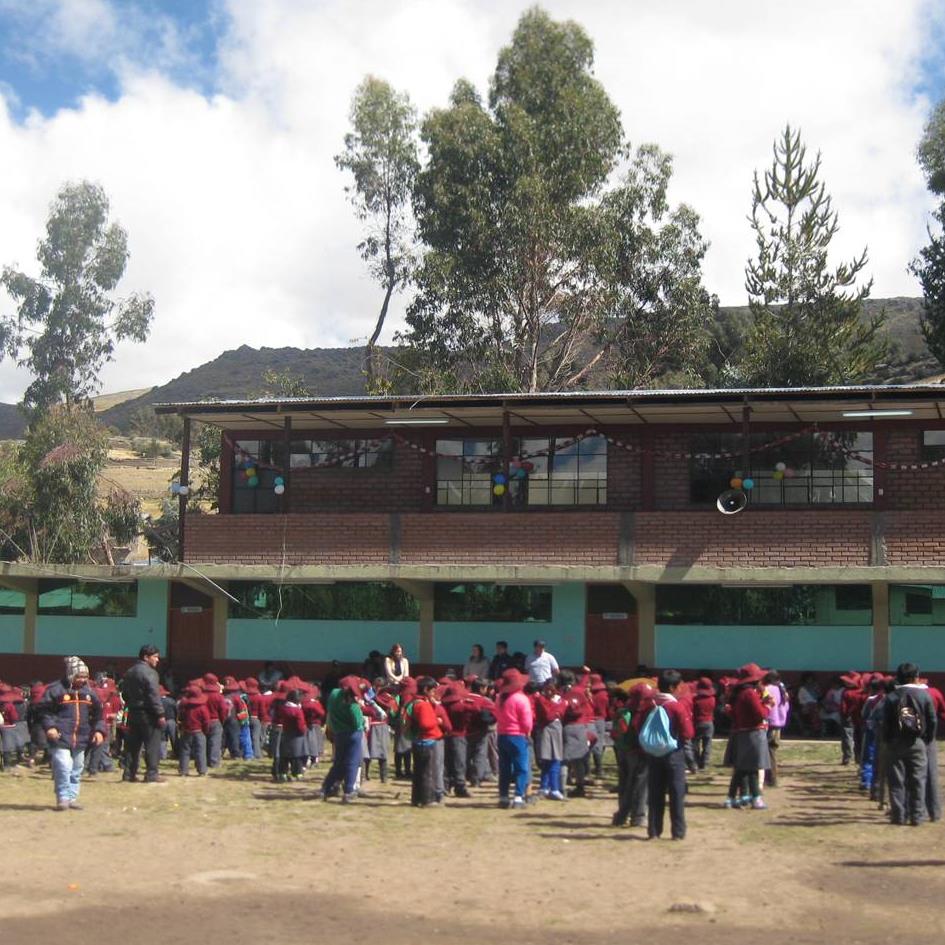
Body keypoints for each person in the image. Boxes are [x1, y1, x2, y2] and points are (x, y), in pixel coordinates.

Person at [37, 657, 107, 810]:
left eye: (85, 676)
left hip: (82, 737)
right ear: (71, 674)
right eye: (79, 676)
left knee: (77, 768)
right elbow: (43, 711)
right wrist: (50, 727)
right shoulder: (55, 690)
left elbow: (99, 715)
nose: (82, 680)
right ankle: (62, 797)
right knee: (63, 765)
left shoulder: (90, 693)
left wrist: (99, 730)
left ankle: (72, 798)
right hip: (60, 736)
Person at [638, 669, 694, 840]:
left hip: (653, 753)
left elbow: (639, 725)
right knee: (676, 793)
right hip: (673, 753)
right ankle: (678, 832)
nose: (680, 689)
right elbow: (688, 733)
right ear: (672, 688)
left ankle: (654, 831)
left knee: (655, 792)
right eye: (679, 686)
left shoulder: (649, 705)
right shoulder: (676, 707)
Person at [883, 662, 937, 826]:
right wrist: (927, 739)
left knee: (896, 781)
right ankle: (917, 816)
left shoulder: (891, 697)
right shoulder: (924, 696)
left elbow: (886, 723)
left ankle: (898, 816)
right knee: (918, 780)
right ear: (916, 677)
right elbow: (932, 720)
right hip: (917, 742)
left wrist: (888, 740)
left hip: (895, 743)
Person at [724, 664, 771, 810]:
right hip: (753, 734)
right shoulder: (750, 693)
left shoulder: (739, 693)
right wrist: (768, 706)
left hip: (742, 733)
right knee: (752, 768)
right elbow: (760, 714)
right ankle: (755, 798)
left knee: (742, 769)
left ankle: (736, 797)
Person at [120, 644, 166, 783]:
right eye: (155, 657)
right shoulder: (150, 673)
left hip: (133, 712)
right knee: (152, 744)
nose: (157, 660)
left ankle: (129, 773)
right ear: (146, 657)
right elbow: (153, 695)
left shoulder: (129, 672)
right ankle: (152, 773)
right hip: (148, 713)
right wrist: (160, 714)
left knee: (132, 746)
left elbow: (124, 693)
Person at [321, 676, 367, 803]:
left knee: (338, 763)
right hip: (353, 734)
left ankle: (326, 788)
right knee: (352, 762)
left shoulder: (334, 694)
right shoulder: (353, 706)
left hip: (338, 732)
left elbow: (329, 709)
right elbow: (358, 724)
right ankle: (349, 790)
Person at [495, 668, 533, 809]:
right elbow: (527, 722)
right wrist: (527, 732)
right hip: (517, 735)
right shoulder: (521, 699)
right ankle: (518, 797)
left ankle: (503, 796)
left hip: (502, 735)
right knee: (521, 768)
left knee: (504, 767)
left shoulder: (499, 698)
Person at [408, 677, 446, 807]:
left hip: (418, 741)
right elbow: (425, 724)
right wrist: (437, 721)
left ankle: (417, 798)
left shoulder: (415, 702)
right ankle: (427, 799)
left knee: (419, 772)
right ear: (425, 689)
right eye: (433, 691)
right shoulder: (423, 705)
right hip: (426, 741)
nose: (434, 693)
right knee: (427, 773)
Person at [763, 670, 790, 787]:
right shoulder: (782, 690)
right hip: (778, 724)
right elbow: (786, 707)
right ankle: (771, 778)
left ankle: (771, 779)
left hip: (770, 724)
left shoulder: (767, 689)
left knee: (768, 752)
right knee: (772, 750)